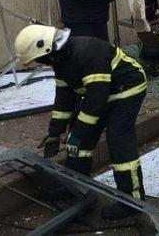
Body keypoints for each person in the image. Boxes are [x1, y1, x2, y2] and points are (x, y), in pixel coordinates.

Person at [14, 24, 147, 220]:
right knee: (78, 144)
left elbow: (96, 100)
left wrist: (78, 131)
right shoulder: (60, 60)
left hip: (126, 89)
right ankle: (75, 186)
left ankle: (133, 200)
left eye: (38, 60)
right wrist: (55, 133)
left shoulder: (87, 52)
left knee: (118, 140)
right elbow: (64, 99)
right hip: (101, 94)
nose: (40, 64)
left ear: (46, 49)